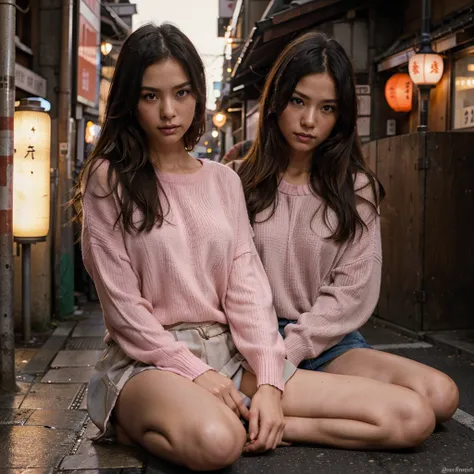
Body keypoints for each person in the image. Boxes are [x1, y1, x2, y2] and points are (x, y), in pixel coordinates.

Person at [74, 23, 296, 471]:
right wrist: (196, 372)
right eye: (150, 96)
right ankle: (145, 419)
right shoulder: (109, 180)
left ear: (198, 93)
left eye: (181, 93)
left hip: (227, 351)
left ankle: (265, 421)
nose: (169, 111)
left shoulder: (224, 180)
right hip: (145, 361)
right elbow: (123, 310)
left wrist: (270, 381)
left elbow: (246, 284)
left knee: (404, 418)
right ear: (130, 103)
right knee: (218, 443)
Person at [232, 30, 459, 444]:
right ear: (277, 99)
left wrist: (296, 346)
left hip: (330, 340)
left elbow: (353, 290)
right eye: (299, 101)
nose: (309, 121)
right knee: (414, 421)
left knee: (443, 394)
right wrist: (273, 353)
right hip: (256, 344)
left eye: (327, 108)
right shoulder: (237, 184)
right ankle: (275, 416)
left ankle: (269, 423)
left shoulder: (355, 188)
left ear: (342, 117)